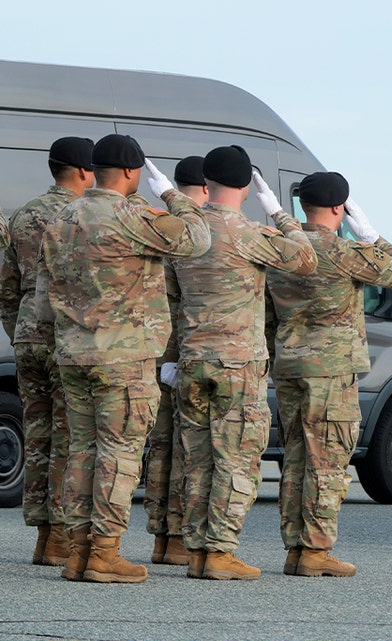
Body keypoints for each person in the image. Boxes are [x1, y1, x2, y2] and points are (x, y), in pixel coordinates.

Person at [43, 134, 211, 583]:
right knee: (118, 455)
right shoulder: (133, 215)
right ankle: (104, 552)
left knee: (81, 451)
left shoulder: (62, 216)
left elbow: (44, 291)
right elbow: (197, 238)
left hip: (73, 354)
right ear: (134, 173)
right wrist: (173, 195)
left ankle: (78, 553)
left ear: (94, 170)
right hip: (124, 357)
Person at [174, 147, 316, 581]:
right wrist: (280, 213)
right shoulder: (247, 232)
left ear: (207, 181)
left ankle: (196, 550)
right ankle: (219, 552)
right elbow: (305, 258)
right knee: (236, 458)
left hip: (192, 358)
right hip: (236, 363)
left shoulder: (185, 231)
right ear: (244, 186)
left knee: (197, 459)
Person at [266, 171, 392, 577]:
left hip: (290, 367)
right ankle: (316, 551)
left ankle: (296, 548)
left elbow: (267, 313)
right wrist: (370, 235)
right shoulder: (343, 251)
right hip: (330, 372)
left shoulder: (282, 250)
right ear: (339, 208)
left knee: (295, 458)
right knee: (327, 460)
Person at [0, 137, 92, 566]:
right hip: (62, 338)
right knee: (67, 437)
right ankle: (58, 537)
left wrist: (19, 330)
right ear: (83, 171)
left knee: (37, 434)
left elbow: (6, 286)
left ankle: (42, 536)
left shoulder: (24, 214)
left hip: (27, 334)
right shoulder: (78, 215)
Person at [142, 156, 207, 567]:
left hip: (155, 348)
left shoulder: (156, 225)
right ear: (202, 189)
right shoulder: (194, 233)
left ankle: (161, 539)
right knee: (185, 447)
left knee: (160, 445)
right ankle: (179, 536)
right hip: (184, 349)